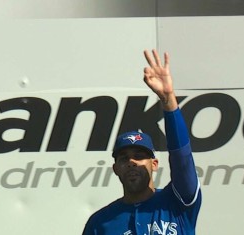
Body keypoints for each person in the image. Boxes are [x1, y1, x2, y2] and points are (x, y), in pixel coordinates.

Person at [82, 49, 202, 235]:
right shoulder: (100, 223)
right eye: (124, 158)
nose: (132, 162)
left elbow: (181, 158)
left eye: (140, 156)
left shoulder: (178, 202)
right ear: (116, 169)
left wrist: (168, 100)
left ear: (154, 164)